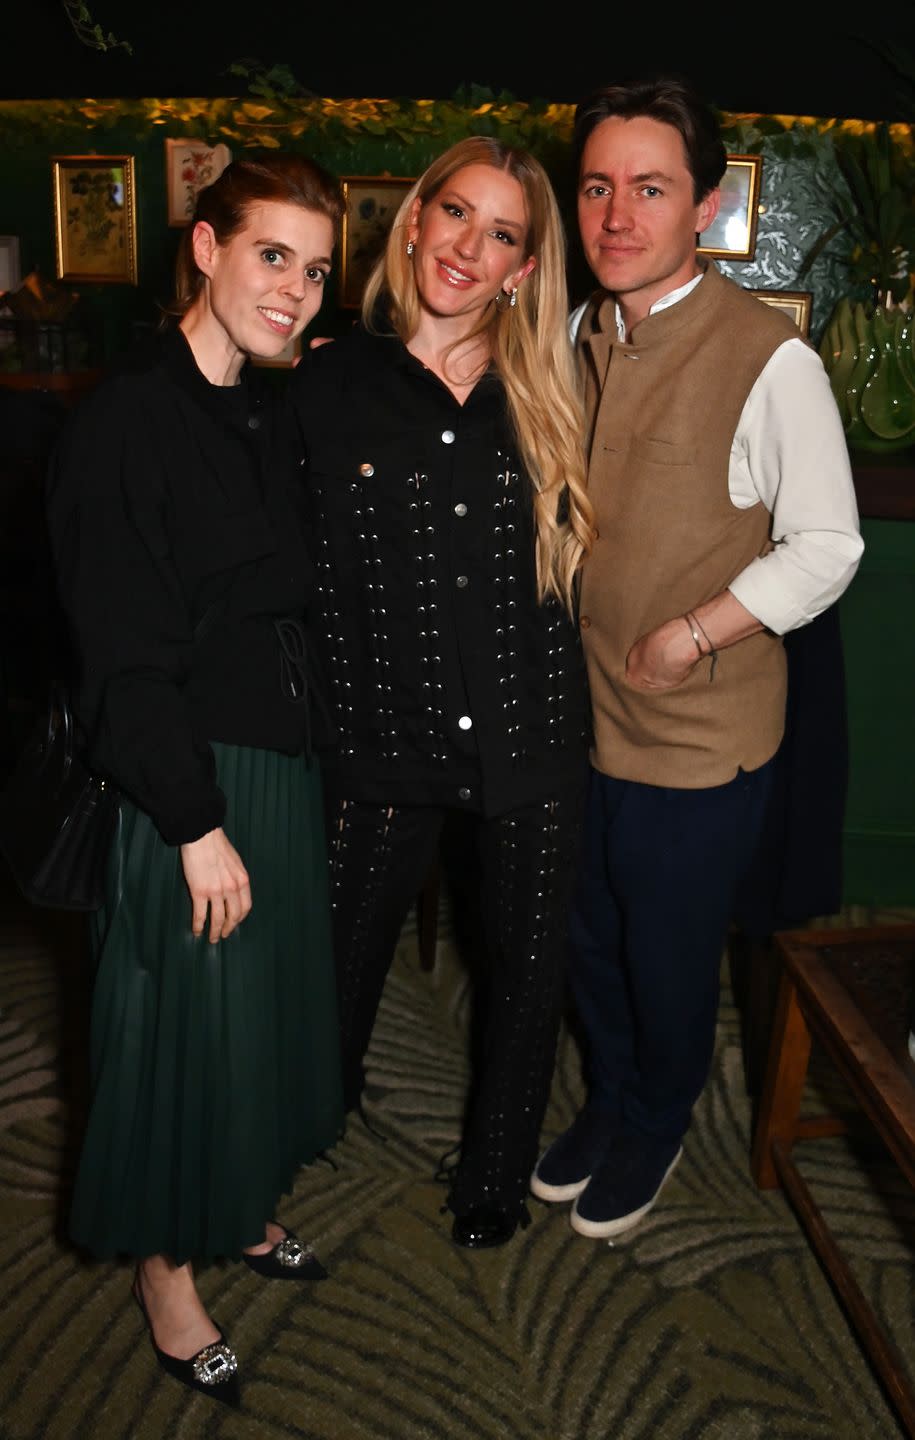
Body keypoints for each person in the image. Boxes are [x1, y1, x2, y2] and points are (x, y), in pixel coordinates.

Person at [530, 75, 864, 1240]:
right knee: (585, 940)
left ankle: (658, 1119)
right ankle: (614, 1095)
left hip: (696, 735)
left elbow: (829, 545)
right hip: (579, 722)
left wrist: (693, 630)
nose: (619, 215)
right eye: (598, 188)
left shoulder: (770, 360)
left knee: (666, 959)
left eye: (652, 189)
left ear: (705, 207)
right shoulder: (578, 332)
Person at [44, 153, 346, 1406]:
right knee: (177, 1030)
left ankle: (235, 1210)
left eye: (317, 268)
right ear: (207, 249)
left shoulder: (265, 407)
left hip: (274, 762)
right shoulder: (130, 417)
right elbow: (122, 655)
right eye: (272, 255)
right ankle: (168, 1278)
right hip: (189, 782)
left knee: (254, 1024)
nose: (297, 289)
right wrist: (191, 822)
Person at [289, 136, 595, 1249]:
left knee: (525, 971)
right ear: (411, 222)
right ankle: (307, 1111)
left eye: (501, 233)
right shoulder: (322, 379)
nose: (468, 246)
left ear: (523, 266)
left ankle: (493, 1174)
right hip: (378, 731)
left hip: (533, 727)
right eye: (453, 214)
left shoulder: (558, 387)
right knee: (337, 952)